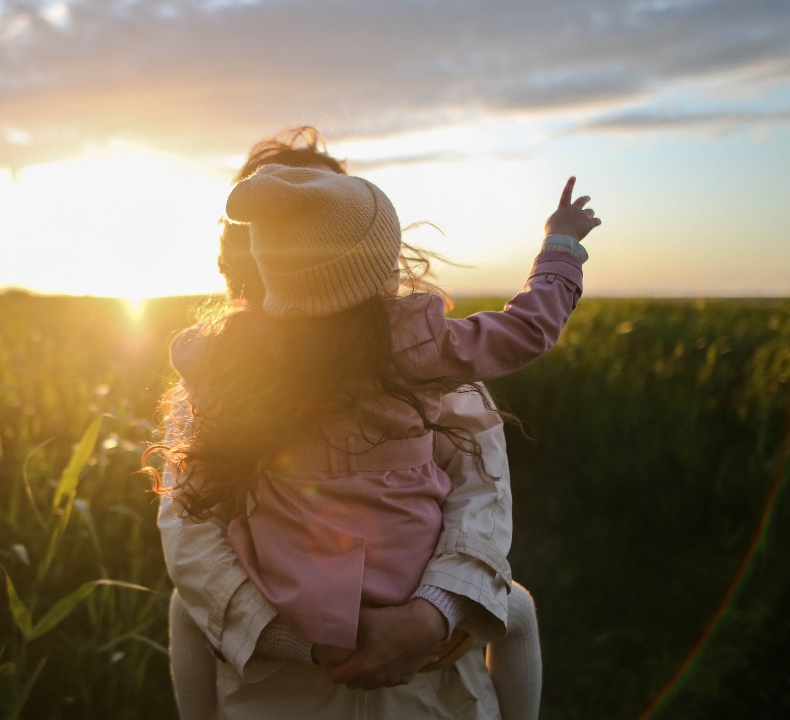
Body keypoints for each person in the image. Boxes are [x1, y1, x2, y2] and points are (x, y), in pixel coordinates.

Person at [153, 129, 596, 719]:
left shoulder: (224, 361)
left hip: (409, 667)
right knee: (516, 609)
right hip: (292, 677)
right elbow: (191, 531)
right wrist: (560, 247)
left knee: (186, 608)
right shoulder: (420, 351)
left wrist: (427, 618)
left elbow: (480, 497)